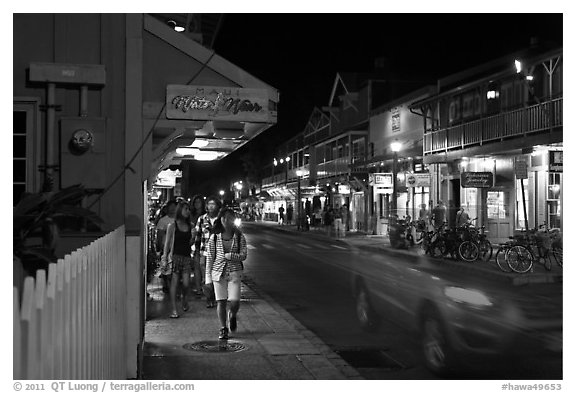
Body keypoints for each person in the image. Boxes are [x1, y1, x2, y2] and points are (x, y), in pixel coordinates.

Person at [205, 207, 248, 340]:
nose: (226, 220)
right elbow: (210, 258)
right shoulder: (214, 237)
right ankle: (223, 328)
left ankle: (233, 315)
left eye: (229, 217)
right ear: (220, 219)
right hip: (218, 273)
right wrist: (208, 278)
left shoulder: (239, 236)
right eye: (224, 217)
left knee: (234, 302)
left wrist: (231, 256)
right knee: (221, 302)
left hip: (235, 272)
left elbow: (244, 255)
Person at [161, 201, 193, 318]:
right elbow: (167, 243)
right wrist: (164, 257)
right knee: (174, 283)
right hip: (175, 256)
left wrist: (193, 237)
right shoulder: (172, 226)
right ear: (180, 210)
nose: (187, 211)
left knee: (186, 283)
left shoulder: (190, 226)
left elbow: (190, 243)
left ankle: (184, 299)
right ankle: (174, 309)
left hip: (186, 257)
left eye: (188, 209)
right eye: (185, 209)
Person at [194, 195, 222, 308]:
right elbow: (197, 236)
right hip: (204, 252)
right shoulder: (201, 219)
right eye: (209, 204)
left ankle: (215, 297)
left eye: (213, 204)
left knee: (217, 276)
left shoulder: (221, 219)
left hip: (219, 252)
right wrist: (195, 251)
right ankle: (209, 298)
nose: (211, 207)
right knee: (206, 277)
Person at [155, 200, 177, 293]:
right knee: (166, 268)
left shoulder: (181, 220)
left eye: (174, 208)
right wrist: (159, 247)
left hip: (177, 248)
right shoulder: (163, 220)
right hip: (166, 248)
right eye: (170, 208)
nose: (172, 210)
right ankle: (167, 285)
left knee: (175, 269)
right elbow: (159, 235)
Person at [190, 194, 206, 298]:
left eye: (199, 202)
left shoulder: (205, 216)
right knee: (196, 266)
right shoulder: (191, 214)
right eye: (195, 202)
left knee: (203, 266)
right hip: (195, 242)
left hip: (204, 243)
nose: (197, 204)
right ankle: (198, 287)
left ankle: (205, 286)